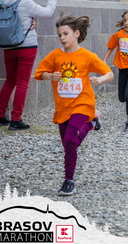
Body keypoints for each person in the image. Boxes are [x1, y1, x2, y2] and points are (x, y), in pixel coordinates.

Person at [35, 15, 114, 195]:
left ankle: (68, 181)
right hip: (63, 107)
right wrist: (50, 76)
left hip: (83, 104)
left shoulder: (87, 56)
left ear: (76, 33)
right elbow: (39, 73)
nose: (62, 38)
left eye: (66, 33)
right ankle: (92, 124)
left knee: (70, 140)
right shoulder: (55, 55)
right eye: (59, 35)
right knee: (67, 145)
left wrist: (100, 79)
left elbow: (109, 73)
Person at [0, 0, 57, 130]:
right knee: (22, 83)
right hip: (26, 46)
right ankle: (16, 120)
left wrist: (31, 22)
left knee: (10, 81)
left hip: (8, 46)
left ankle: (0, 117)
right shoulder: (25, 2)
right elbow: (48, 12)